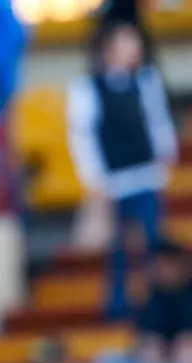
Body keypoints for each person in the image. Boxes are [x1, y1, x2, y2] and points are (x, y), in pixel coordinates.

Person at [67, 21, 177, 318]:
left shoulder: (146, 80)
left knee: (152, 242)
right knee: (118, 250)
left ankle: (159, 304)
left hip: (145, 175)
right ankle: (117, 304)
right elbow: (82, 134)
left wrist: (164, 156)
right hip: (113, 180)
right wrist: (93, 177)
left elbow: (158, 121)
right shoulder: (88, 87)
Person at [134, 239, 192, 363]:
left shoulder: (188, 293)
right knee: (150, 349)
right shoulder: (152, 295)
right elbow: (147, 330)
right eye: (158, 265)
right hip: (161, 352)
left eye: (167, 264)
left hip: (185, 349)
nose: (162, 270)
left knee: (187, 348)